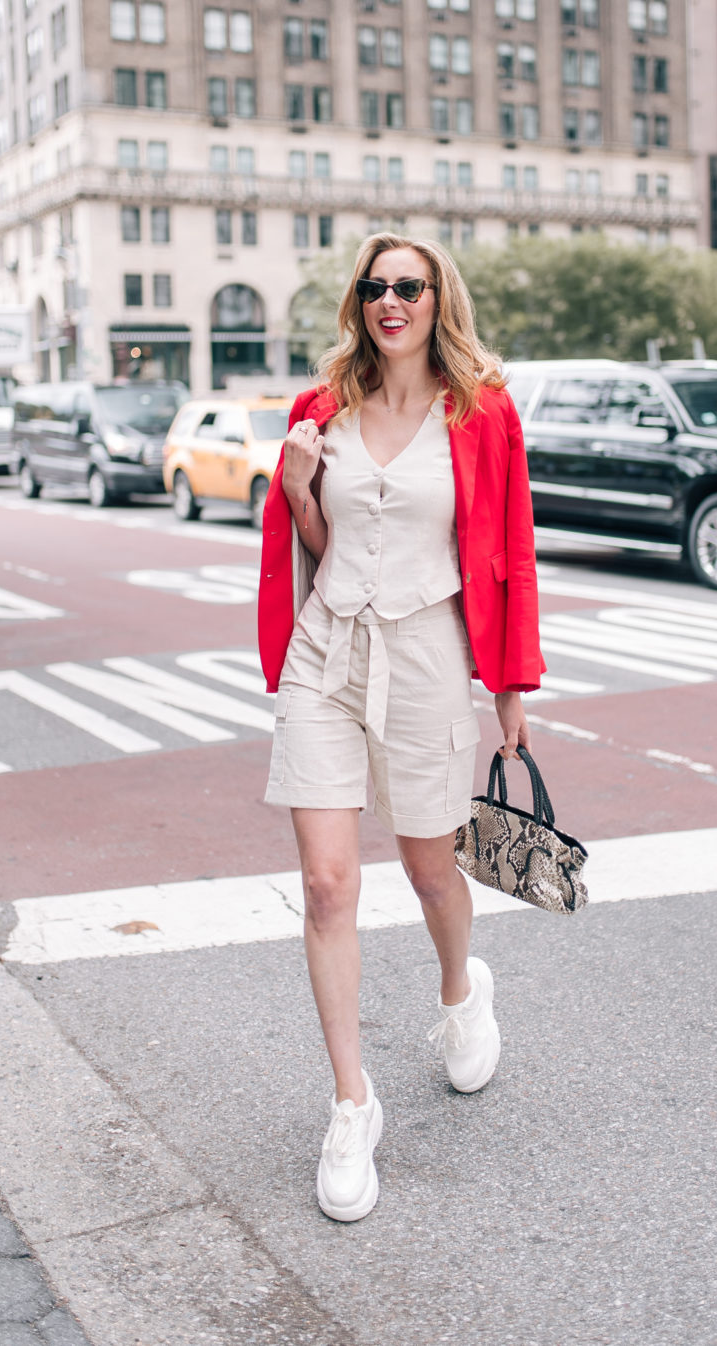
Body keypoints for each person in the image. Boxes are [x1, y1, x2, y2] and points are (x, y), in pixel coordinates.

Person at [257, 231, 544, 1222]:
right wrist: (295, 485)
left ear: (436, 299)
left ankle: (461, 992)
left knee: (430, 868)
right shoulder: (318, 412)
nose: (389, 301)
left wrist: (510, 684)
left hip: (427, 656)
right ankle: (351, 1105)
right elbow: (316, 544)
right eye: (373, 287)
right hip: (325, 656)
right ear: (357, 301)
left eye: (407, 287)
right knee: (327, 885)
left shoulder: (482, 413)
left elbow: (509, 546)